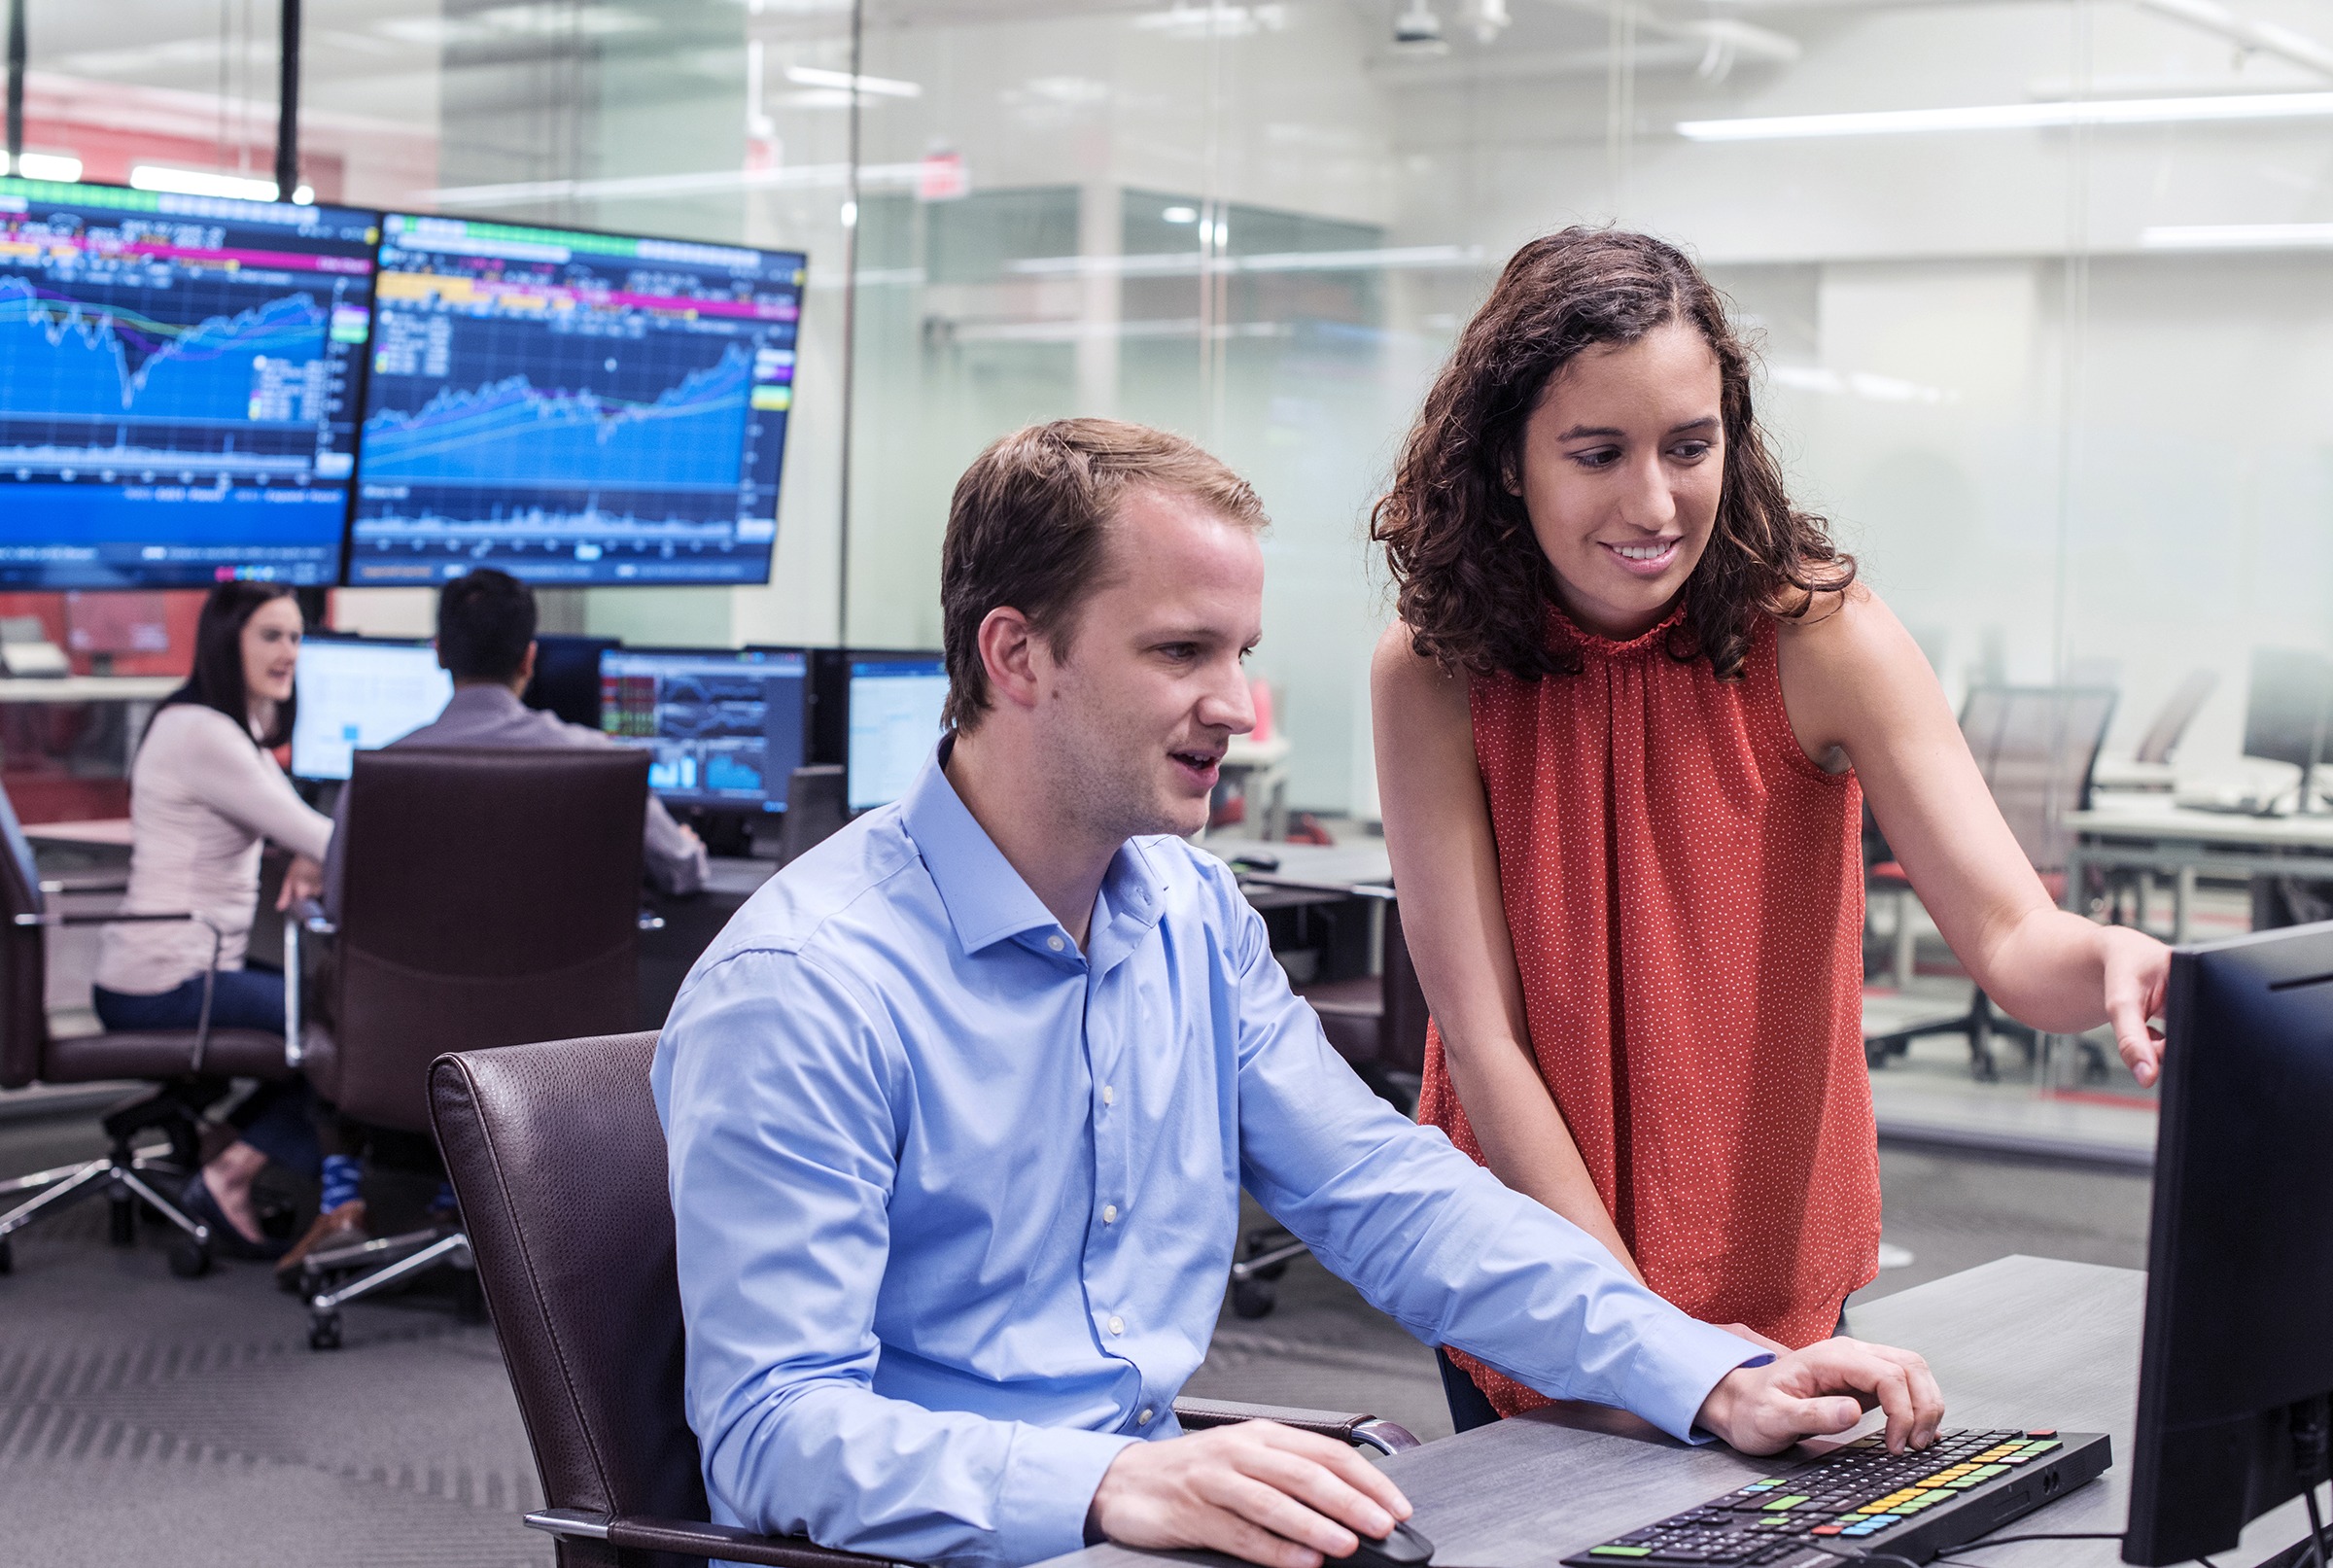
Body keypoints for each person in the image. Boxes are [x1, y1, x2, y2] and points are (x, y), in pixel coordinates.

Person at [653, 418, 1947, 1568]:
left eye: (1241, 650)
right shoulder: (807, 989)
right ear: (1016, 655)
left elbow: (1396, 1201)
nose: (1236, 704)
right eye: (1180, 652)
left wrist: (1718, 1373)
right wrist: (1111, 1479)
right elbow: (773, 1434)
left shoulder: (1187, 918)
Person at [1369, 228, 2172, 1428]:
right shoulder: (1434, 671)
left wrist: (2103, 955)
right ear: (1506, 463)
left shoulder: (1820, 637)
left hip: (1763, 1242)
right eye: (1598, 453)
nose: (1654, 501)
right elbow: (1486, 1050)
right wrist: (1643, 1338)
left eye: (1690, 447)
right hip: (1535, 1251)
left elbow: (2009, 931)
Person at [291, 567, 709, 1269]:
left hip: (403, 1050)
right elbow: (685, 873)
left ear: (439, 653)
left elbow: (333, 909)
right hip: (553, 1059)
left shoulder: (378, 775)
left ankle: (366, 1193)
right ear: (530, 656)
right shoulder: (600, 763)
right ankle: (475, 1203)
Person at [92, 581, 332, 1259]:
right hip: (168, 980)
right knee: (340, 1028)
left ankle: (231, 1140)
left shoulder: (224, 729)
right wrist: (317, 851)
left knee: (326, 1005)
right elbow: (323, 837)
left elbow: (303, 835)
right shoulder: (206, 734)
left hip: (177, 966)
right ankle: (234, 1169)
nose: (289, 651)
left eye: (295, 636)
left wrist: (309, 855)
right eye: (271, 635)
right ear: (228, 643)